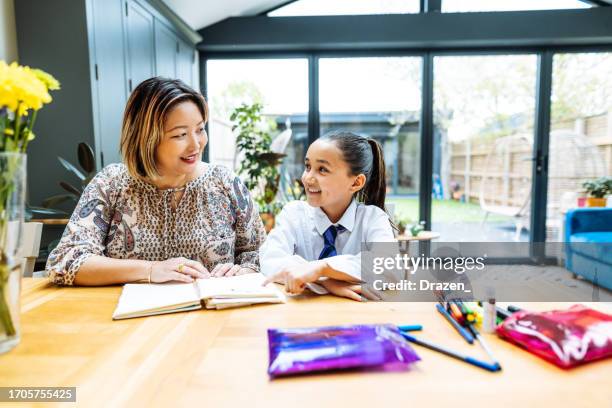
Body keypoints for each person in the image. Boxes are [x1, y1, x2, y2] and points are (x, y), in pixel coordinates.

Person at [47, 77, 265, 286]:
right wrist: (151, 270)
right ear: (146, 138)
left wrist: (246, 270)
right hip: (126, 321)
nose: (196, 144)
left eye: (200, 129)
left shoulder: (225, 183)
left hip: (211, 320)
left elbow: (262, 254)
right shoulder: (111, 184)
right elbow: (65, 262)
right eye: (180, 135)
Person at [260, 131, 395, 301]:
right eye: (308, 167)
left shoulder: (373, 218)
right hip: (301, 315)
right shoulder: (294, 214)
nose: (307, 178)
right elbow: (271, 261)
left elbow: (387, 267)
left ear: (355, 182)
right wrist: (326, 281)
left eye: (322, 169)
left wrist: (323, 268)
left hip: (357, 316)